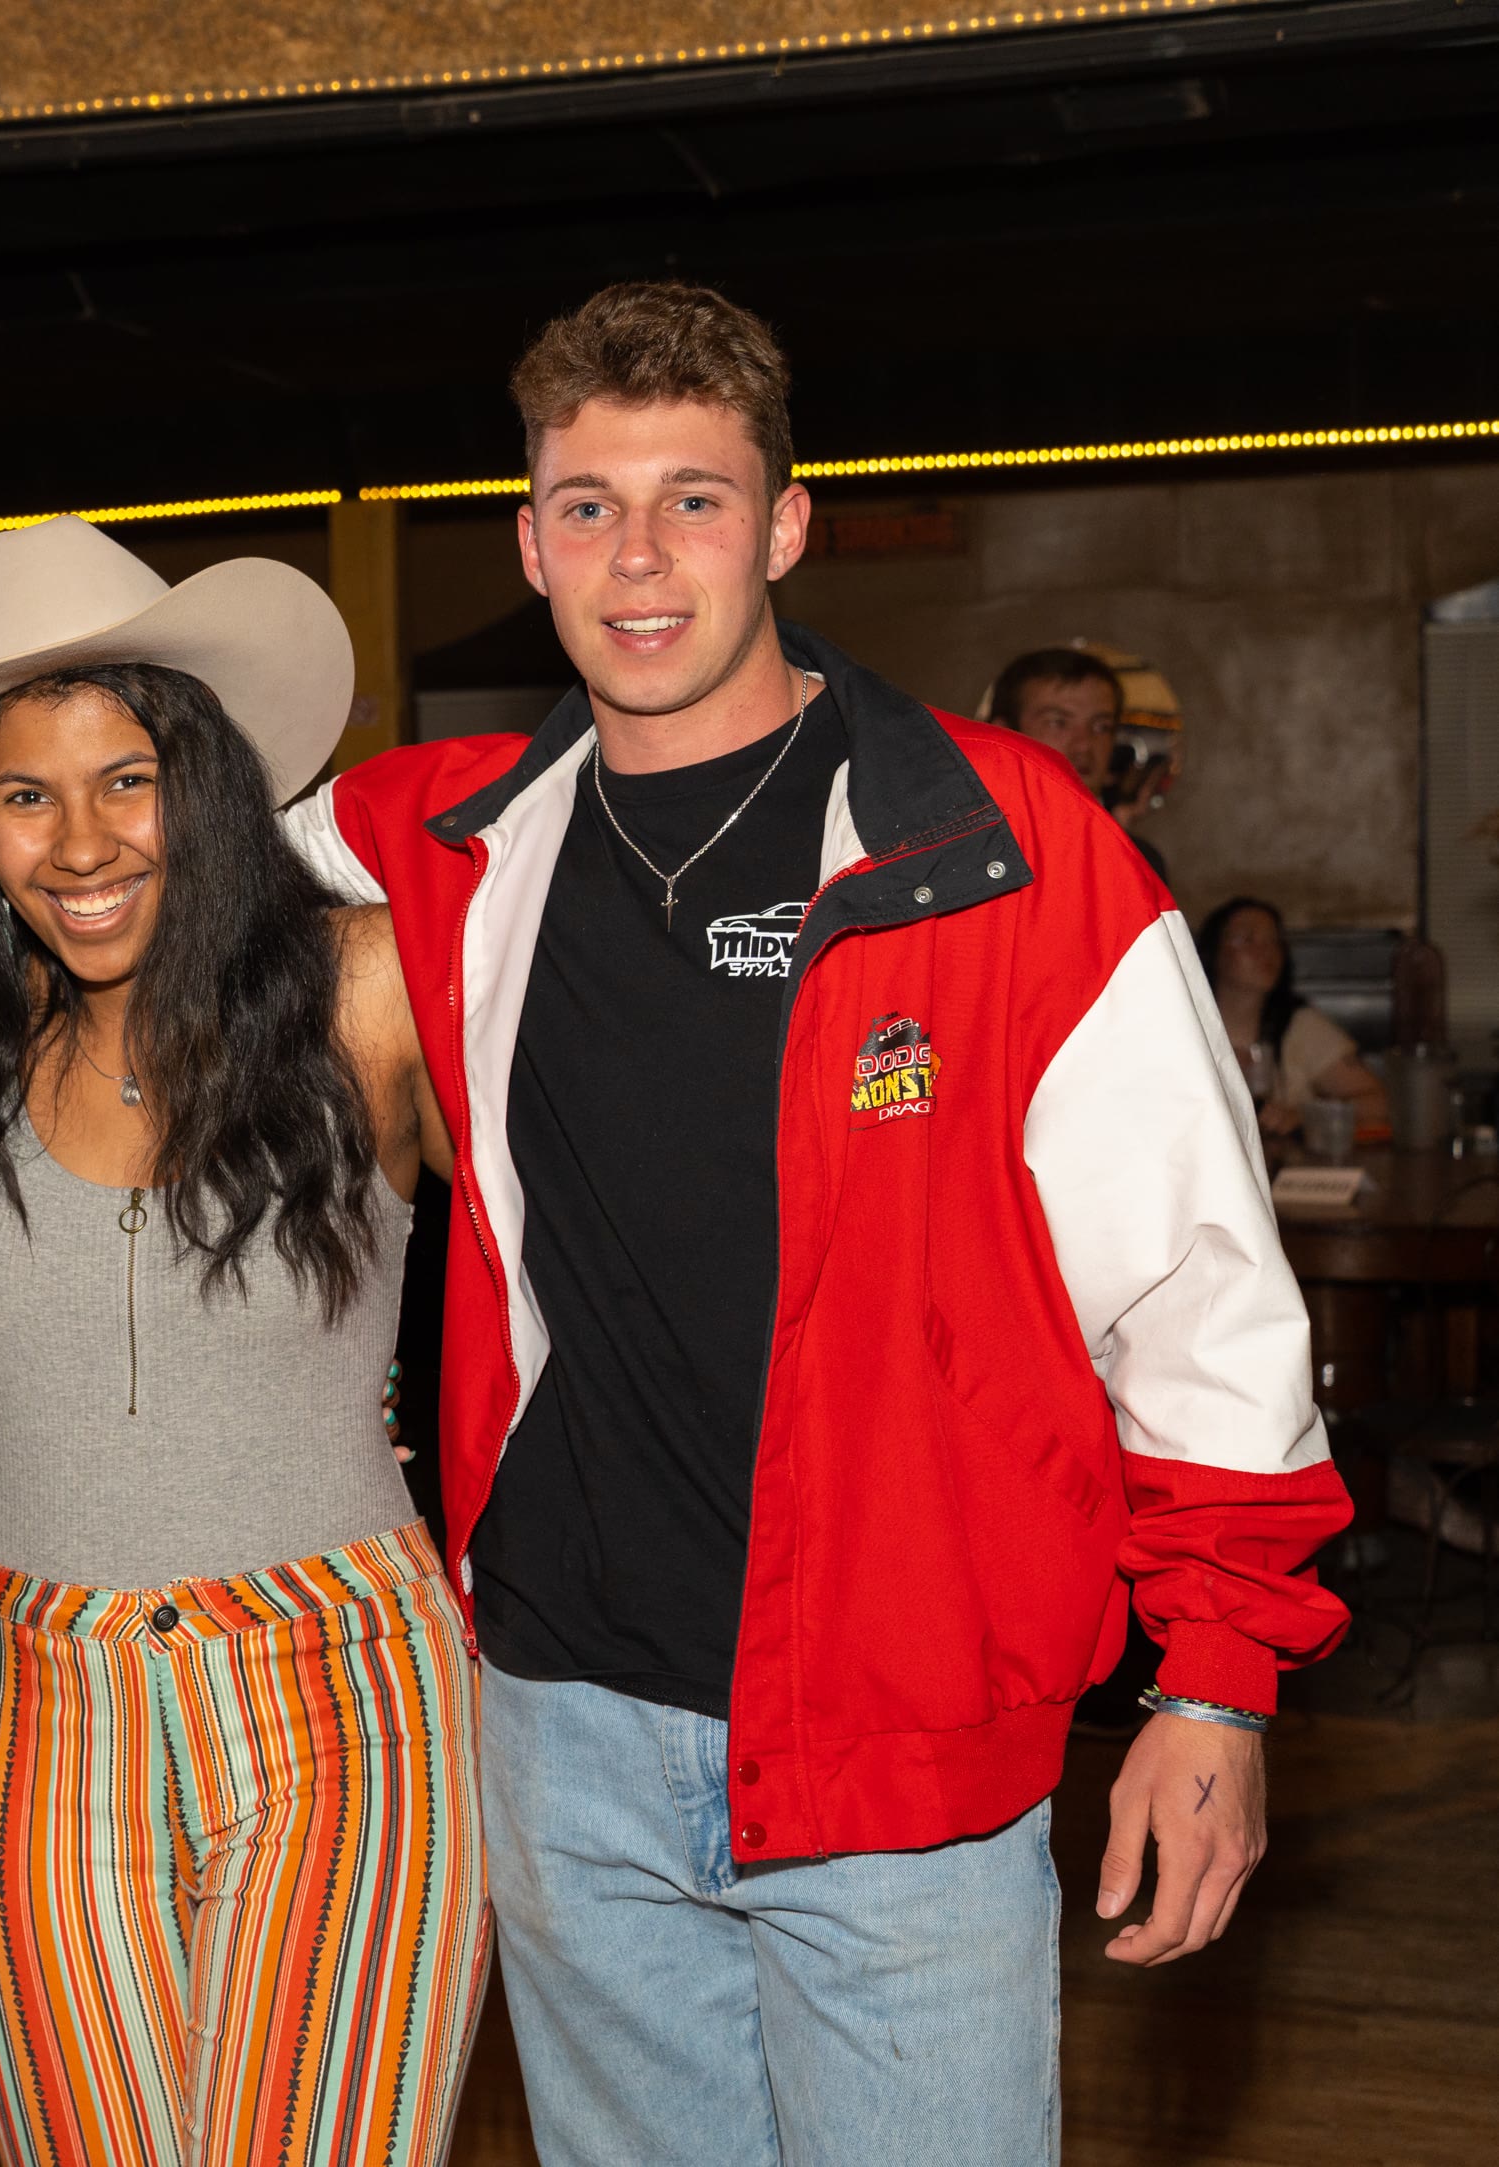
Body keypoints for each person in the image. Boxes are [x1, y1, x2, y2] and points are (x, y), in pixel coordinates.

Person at [278, 285, 1350, 2163]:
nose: (637, 555)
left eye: (691, 500)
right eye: (589, 505)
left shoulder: (1001, 849)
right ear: (529, 542)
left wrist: (1216, 1679)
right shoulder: (455, 836)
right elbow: (114, 844)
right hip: (561, 1722)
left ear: (782, 526)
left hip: (899, 1737)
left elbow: (1196, 1291)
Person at [0, 514, 484, 2167]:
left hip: (340, 1688)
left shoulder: (365, 990)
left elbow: (577, 1255)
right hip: (29, 1701)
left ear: (212, 784)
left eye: (129, 779)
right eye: (24, 794)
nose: (80, 842)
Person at [1200, 894, 1389, 1135]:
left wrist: (1302, 1115)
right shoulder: (1185, 1025)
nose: (1265, 951)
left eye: (1273, 940)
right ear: (1213, 952)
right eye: (1247, 939)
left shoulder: (1300, 1025)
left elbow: (1378, 1104)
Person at [991, 644, 1172, 880]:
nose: (1084, 745)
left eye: (1101, 727)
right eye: (1058, 723)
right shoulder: (975, 851)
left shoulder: (1140, 863)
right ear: (1004, 733)